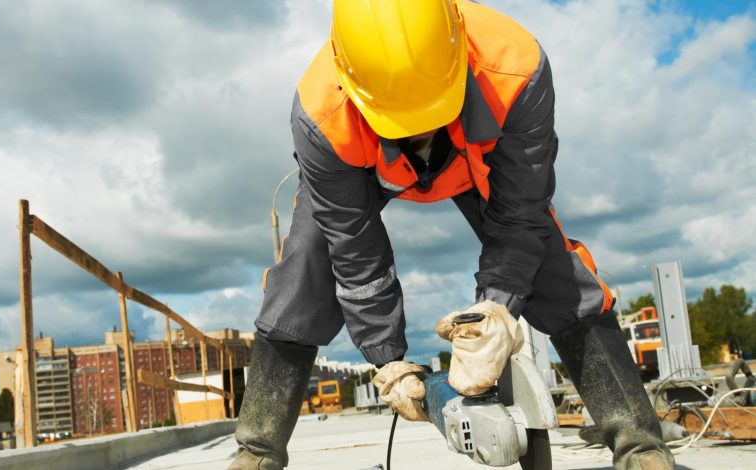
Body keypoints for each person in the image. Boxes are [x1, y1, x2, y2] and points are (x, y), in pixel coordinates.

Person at [229, 1, 674, 469]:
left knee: (553, 268)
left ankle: (639, 448)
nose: (420, 137)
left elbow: (520, 216)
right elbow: (356, 251)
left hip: (477, 160)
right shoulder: (322, 114)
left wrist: (495, 310)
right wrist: (389, 360)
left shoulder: (516, 68)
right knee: (304, 268)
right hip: (362, 167)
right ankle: (257, 451)